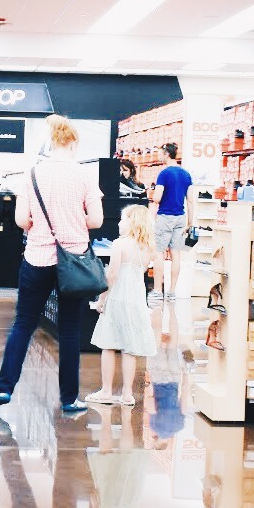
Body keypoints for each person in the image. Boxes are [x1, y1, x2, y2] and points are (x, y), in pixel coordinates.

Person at [0, 115, 104, 417]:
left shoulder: (32, 173)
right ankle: (68, 398)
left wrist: (39, 226)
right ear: (73, 143)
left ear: (51, 143)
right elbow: (97, 220)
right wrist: (75, 225)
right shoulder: (85, 175)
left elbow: (21, 220)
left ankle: (4, 388)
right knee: (71, 330)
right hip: (73, 261)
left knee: (23, 323)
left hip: (37, 257)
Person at [86, 205, 155, 406]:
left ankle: (107, 390)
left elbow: (112, 275)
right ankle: (127, 393)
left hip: (117, 298)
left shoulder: (119, 244)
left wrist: (101, 300)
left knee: (108, 345)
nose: (118, 222)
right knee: (130, 347)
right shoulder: (148, 247)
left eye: (122, 219)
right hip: (136, 300)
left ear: (131, 221)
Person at [149, 144, 191, 306]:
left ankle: (158, 291)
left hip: (165, 216)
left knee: (158, 253)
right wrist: (190, 222)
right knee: (176, 255)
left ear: (166, 154)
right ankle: (172, 292)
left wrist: (153, 193)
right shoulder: (186, 174)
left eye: (160, 153)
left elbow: (158, 198)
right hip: (181, 217)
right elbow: (191, 200)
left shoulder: (164, 174)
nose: (159, 156)